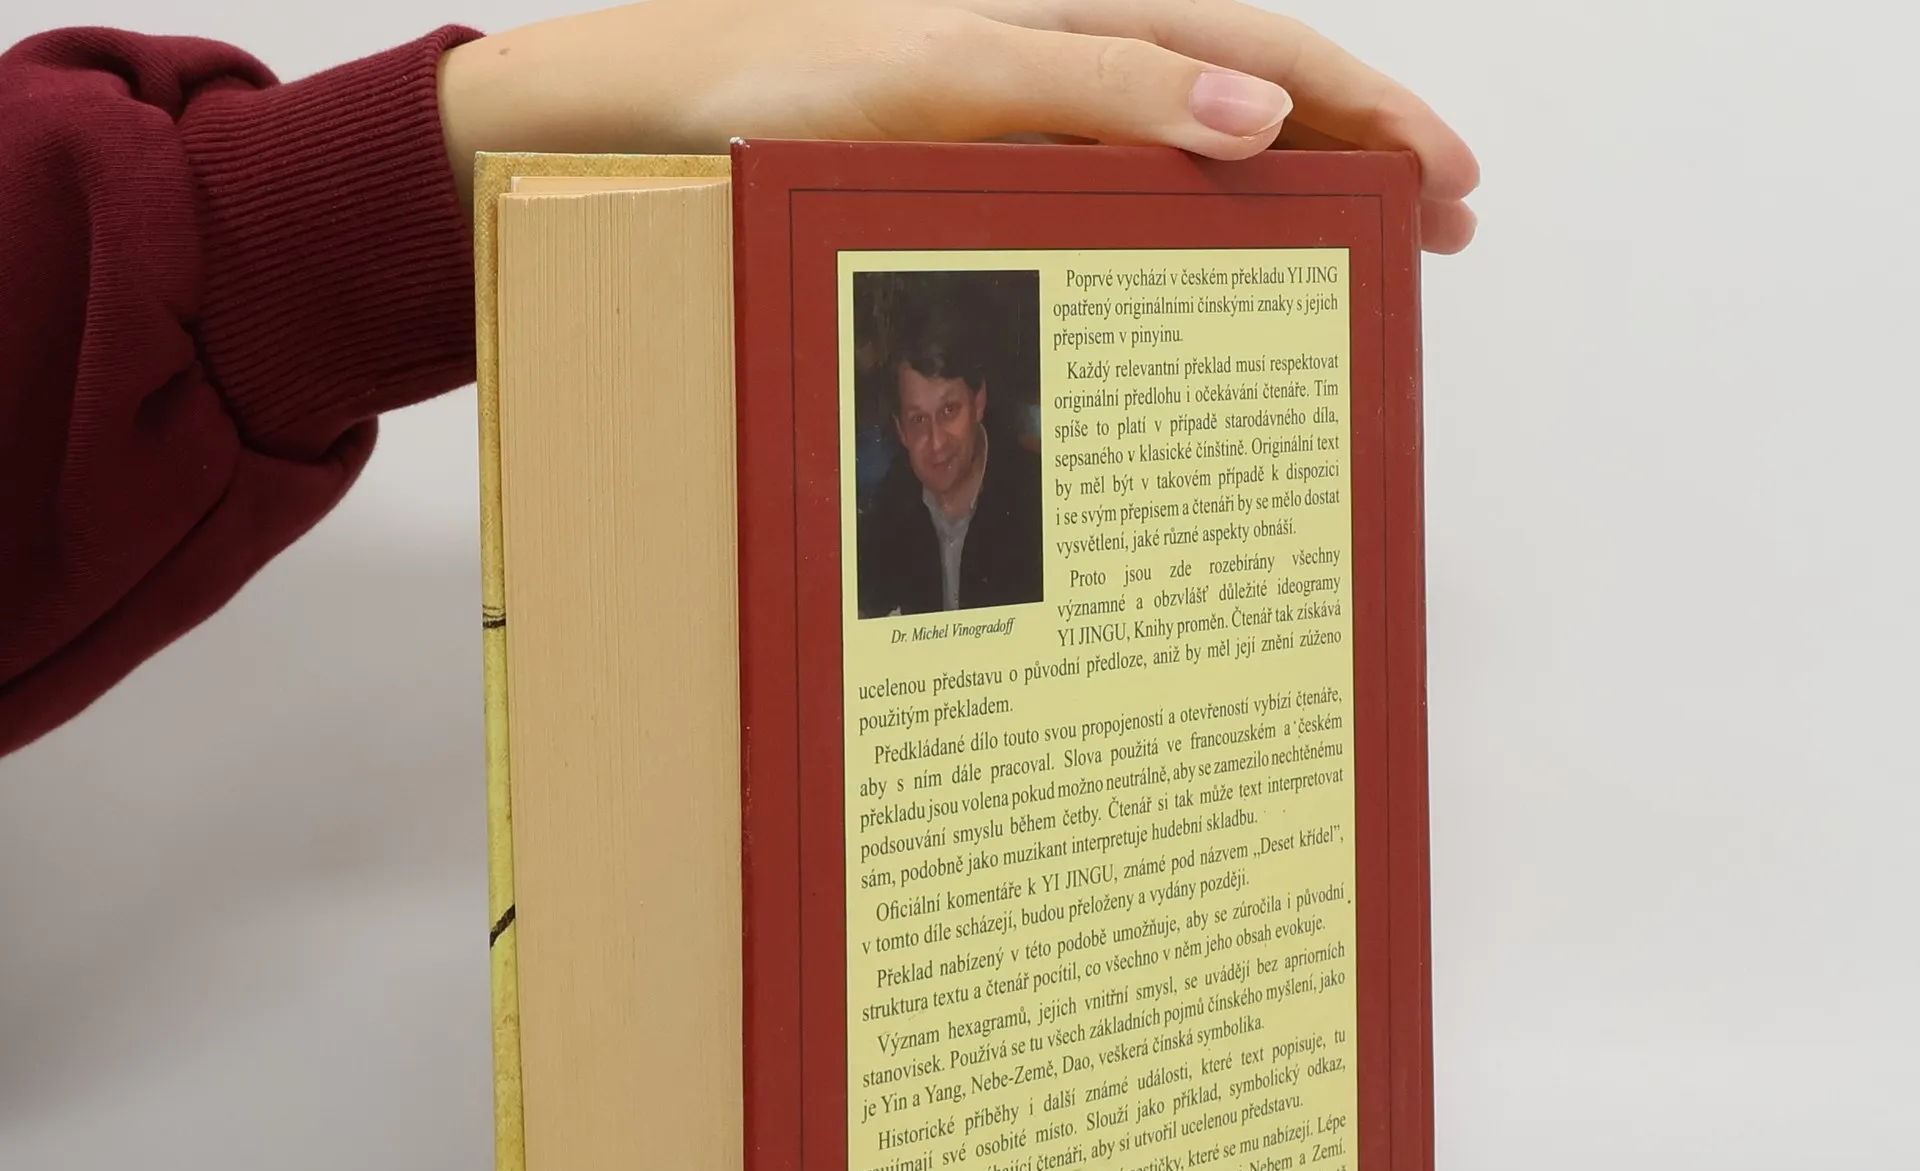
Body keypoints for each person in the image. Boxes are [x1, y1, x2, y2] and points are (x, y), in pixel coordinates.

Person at [0, 0, 1477, 758]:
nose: (930, 434)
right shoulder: (881, 533)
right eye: (912, 412)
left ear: (988, 410)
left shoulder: (1034, 517)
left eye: (948, 409)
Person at [858, 306, 1045, 618]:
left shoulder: (1036, 501)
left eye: (949, 411)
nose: (936, 442)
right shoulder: (891, 501)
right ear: (901, 431)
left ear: (978, 402)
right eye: (918, 420)